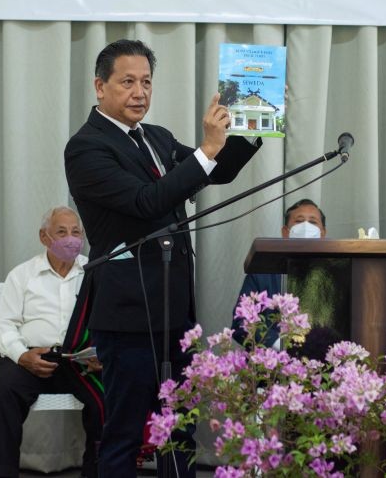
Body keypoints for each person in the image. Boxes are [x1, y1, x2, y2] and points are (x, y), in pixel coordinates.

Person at [64, 39, 261, 477]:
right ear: (100, 86)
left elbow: (218, 170)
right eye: (128, 82)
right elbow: (146, 202)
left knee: (180, 429)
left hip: (174, 307)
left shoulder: (155, 137)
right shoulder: (86, 148)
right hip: (129, 312)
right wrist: (207, 149)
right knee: (126, 433)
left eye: (147, 82)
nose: (140, 93)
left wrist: (254, 121)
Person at [0, 206, 102, 478]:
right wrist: (22, 356)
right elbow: (4, 323)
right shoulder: (22, 275)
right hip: (32, 359)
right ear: (44, 237)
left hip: (80, 361)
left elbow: (110, 320)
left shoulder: (94, 272)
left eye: (76, 232)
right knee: (2, 389)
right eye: (61, 232)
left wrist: (102, 354)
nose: (71, 238)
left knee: (113, 392)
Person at [231, 198, 327, 347]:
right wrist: (278, 345)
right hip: (272, 365)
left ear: (323, 233)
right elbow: (241, 321)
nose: (306, 227)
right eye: (299, 221)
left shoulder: (333, 274)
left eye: (313, 222)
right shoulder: (263, 272)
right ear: (285, 232)